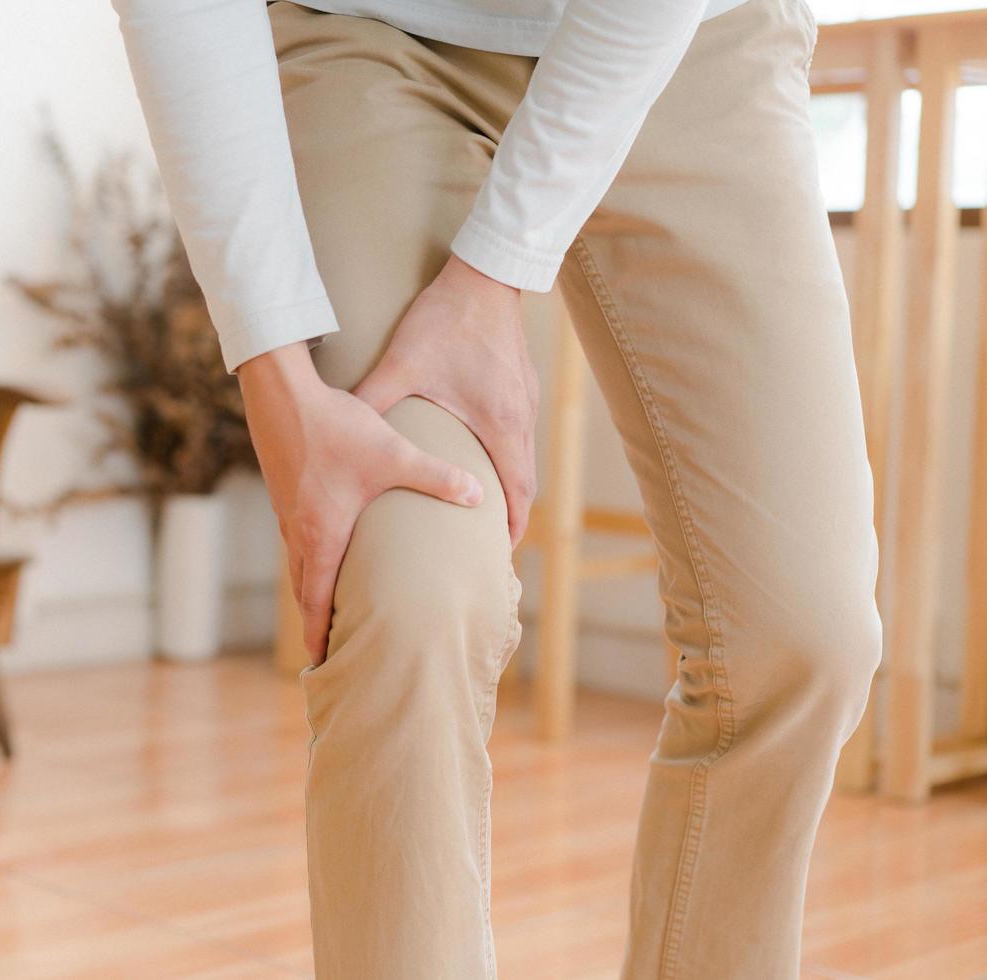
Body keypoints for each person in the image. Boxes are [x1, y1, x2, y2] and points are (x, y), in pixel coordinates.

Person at [111, 0, 881, 976]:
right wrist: (272, 374)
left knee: (803, 637)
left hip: (691, 41)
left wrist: (491, 276)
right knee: (409, 590)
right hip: (378, 35)